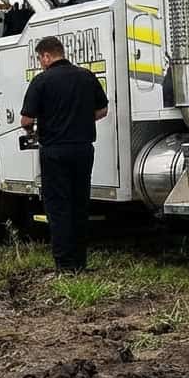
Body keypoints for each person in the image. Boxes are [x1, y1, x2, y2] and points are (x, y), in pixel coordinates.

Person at [20, 36, 109, 271]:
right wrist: (79, 120)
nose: (41, 63)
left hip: (55, 151)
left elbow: (26, 119)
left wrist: (35, 129)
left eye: (40, 59)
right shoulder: (86, 76)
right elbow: (102, 110)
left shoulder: (41, 81)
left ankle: (64, 265)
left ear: (47, 56)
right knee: (80, 205)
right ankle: (80, 263)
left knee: (58, 208)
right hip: (83, 149)